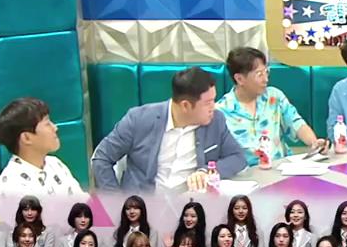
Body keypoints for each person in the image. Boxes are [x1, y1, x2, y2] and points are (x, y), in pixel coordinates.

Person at [91, 66, 248, 192]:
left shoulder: (216, 121)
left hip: (190, 207)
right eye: (208, 103)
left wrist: (205, 171)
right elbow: (101, 158)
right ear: (185, 105)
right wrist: (115, 202)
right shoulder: (138, 119)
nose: (213, 107)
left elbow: (238, 157)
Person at [218, 47, 327, 165]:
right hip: (247, 172)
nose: (266, 79)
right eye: (259, 74)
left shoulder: (274, 96)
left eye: (266, 72)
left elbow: (296, 123)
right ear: (239, 79)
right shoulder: (221, 112)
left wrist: (314, 143)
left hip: (280, 168)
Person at [0, 98, 84, 199]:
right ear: (26, 138)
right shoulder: (12, 186)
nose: (55, 128)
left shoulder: (55, 164)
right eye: (47, 124)